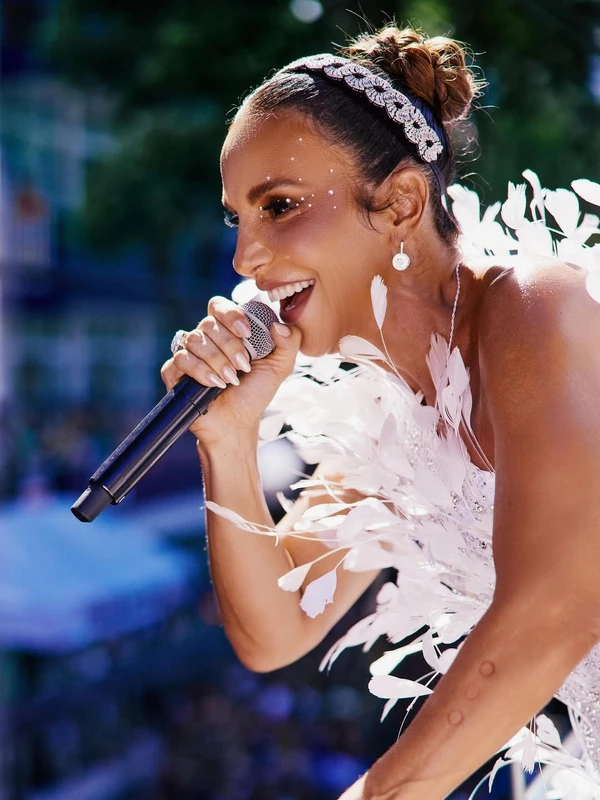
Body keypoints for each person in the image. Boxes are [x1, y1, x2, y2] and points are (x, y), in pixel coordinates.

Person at [161, 24, 600, 800]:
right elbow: (276, 631)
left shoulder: (536, 306)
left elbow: (558, 603)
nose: (244, 259)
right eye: (238, 219)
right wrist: (227, 439)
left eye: (279, 206)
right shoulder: (385, 419)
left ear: (400, 203)